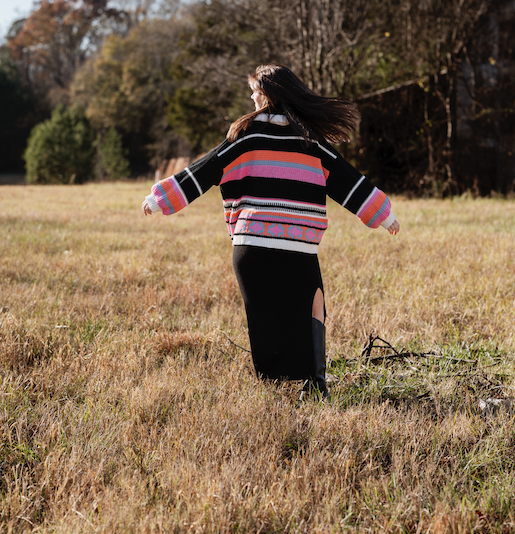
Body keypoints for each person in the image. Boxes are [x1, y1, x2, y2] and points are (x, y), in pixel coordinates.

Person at [142, 64, 400, 400]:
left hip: (251, 246)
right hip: (298, 245)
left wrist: (160, 199)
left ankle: (278, 377)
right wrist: (383, 215)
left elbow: (203, 170)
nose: (251, 97)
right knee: (313, 303)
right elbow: (346, 181)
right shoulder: (310, 139)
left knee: (265, 311)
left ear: (267, 94)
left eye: (254, 91)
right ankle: (315, 382)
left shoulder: (245, 135)